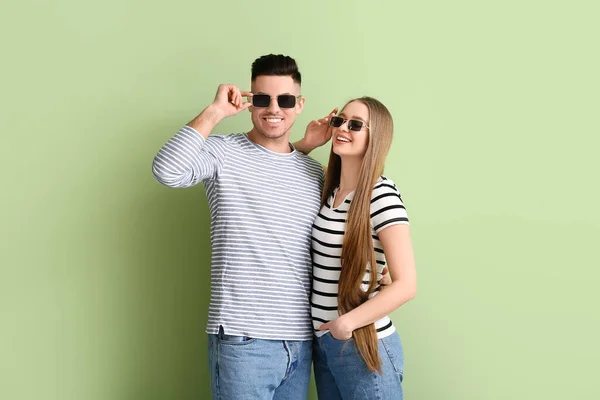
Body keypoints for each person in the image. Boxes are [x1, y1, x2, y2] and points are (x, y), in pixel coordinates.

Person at [151, 54, 327, 400]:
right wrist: (214, 112)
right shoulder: (222, 152)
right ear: (248, 102)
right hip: (242, 338)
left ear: (300, 105)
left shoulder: (313, 172)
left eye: (285, 100)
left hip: (301, 341)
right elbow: (166, 171)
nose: (273, 108)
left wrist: (303, 148)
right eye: (262, 99)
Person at [301, 97, 417, 399]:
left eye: (356, 125)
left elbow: (406, 284)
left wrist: (346, 323)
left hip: (361, 343)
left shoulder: (381, 194)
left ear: (374, 138)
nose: (343, 128)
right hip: (327, 344)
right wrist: (305, 144)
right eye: (340, 120)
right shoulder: (332, 191)